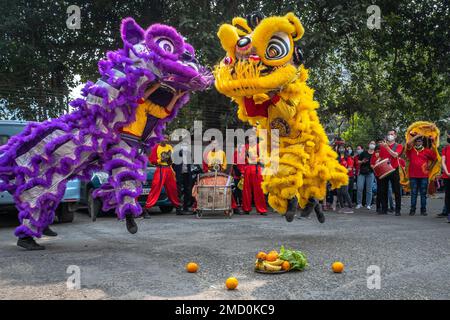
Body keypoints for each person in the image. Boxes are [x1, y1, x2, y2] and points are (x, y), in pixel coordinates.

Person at [144, 136, 182, 215]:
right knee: (156, 188)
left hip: (169, 169)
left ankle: (178, 207)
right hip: (160, 169)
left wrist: (171, 159)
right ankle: (146, 208)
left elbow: (173, 160)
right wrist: (161, 159)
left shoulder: (169, 147)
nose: (165, 140)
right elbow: (152, 160)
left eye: (167, 138)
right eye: (164, 138)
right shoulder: (156, 147)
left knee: (173, 189)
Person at [406, 135, 437, 216]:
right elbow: (408, 143)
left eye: (419, 141)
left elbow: (435, 159)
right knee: (413, 193)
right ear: (415, 142)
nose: (418, 142)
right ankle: (412, 210)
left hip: (424, 176)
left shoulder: (427, 151)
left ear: (422, 142)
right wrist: (418, 135)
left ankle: (423, 210)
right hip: (413, 176)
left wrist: (430, 167)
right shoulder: (411, 150)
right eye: (416, 141)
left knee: (423, 194)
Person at [379, 130, 403, 216]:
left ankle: (397, 210)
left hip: (394, 169)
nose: (390, 136)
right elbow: (381, 158)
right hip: (384, 170)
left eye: (392, 134)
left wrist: (387, 147)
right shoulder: (382, 147)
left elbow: (395, 155)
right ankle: (384, 209)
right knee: (383, 190)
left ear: (395, 136)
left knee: (396, 190)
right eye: (388, 134)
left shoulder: (399, 146)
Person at [242, 135, 268, 215]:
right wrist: (242, 170)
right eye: (250, 137)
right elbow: (241, 159)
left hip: (257, 168)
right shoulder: (245, 147)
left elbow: (264, 158)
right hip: (248, 168)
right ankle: (246, 209)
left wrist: (257, 159)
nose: (251, 138)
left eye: (252, 136)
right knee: (246, 190)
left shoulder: (259, 147)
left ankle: (262, 209)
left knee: (259, 190)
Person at [173, 140, 194, 214]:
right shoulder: (176, 153)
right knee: (178, 191)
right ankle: (178, 209)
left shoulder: (189, 153)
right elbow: (173, 164)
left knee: (187, 190)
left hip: (187, 174)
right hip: (179, 174)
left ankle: (185, 207)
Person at [356, 141, 375, 210]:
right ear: (368, 144)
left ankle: (368, 204)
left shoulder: (375, 154)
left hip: (370, 173)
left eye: (373, 144)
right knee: (359, 188)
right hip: (362, 173)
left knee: (369, 189)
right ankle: (359, 203)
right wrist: (362, 161)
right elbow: (358, 161)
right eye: (371, 143)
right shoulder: (364, 153)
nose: (372, 145)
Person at [337, 145, 354, 213]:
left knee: (344, 192)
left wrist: (342, 171)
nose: (341, 149)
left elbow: (350, 168)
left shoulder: (348, 158)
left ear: (345, 149)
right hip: (338, 177)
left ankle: (350, 207)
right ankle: (342, 207)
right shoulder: (336, 158)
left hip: (345, 177)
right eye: (340, 148)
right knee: (338, 193)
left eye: (343, 148)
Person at [441, 130, 450, 223]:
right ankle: (448, 214)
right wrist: (446, 172)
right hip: (447, 176)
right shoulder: (445, 149)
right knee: (448, 196)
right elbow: (443, 161)